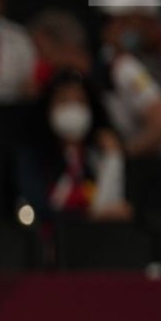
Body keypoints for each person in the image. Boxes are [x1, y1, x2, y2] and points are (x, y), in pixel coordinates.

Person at [30, 8, 161, 158]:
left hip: (154, 165)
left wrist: (120, 155)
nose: (43, 62)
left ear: (66, 49)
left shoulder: (122, 69)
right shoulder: (76, 84)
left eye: (44, 52)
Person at [14, 70, 130, 220]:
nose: (72, 109)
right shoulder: (32, 157)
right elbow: (36, 210)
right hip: (50, 239)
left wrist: (113, 157)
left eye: (80, 101)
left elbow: (113, 206)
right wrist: (88, 216)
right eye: (64, 101)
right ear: (49, 108)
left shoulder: (97, 156)